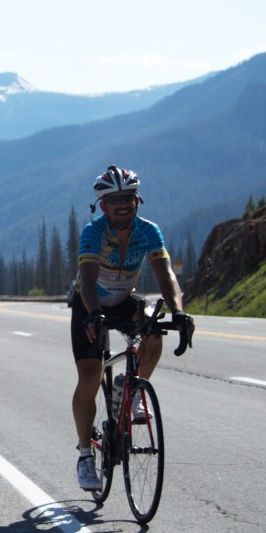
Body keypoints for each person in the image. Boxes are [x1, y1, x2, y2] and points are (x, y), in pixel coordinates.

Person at [71, 165, 194, 490]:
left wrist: (179, 312)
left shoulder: (149, 231)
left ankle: (132, 386)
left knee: (154, 333)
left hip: (125, 298)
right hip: (90, 302)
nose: (122, 204)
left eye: (127, 197)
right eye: (114, 200)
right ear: (103, 206)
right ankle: (85, 454)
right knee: (89, 377)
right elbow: (88, 281)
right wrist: (94, 314)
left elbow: (165, 273)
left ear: (138, 200)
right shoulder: (93, 233)